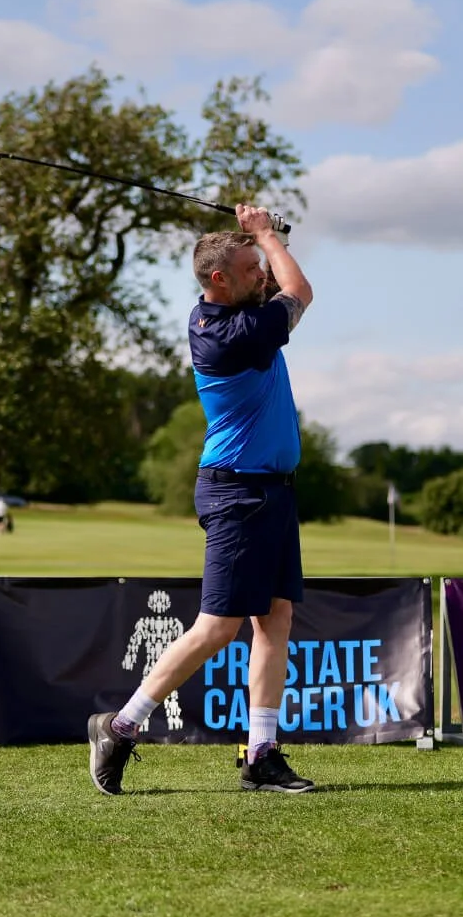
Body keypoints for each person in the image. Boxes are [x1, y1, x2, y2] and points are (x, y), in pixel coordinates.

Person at [88, 203, 315, 795]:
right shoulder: (227, 335)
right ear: (218, 279)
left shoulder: (241, 311)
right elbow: (299, 291)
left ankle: (261, 753)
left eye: (260, 265)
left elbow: (280, 282)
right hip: (236, 491)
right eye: (250, 268)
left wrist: (266, 237)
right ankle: (119, 726)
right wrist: (266, 234)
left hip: (271, 491)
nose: (262, 274)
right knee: (217, 627)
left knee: (275, 620)